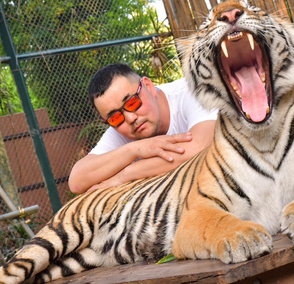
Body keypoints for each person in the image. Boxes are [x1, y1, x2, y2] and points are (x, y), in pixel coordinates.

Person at [68, 63, 218, 194]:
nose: (130, 118)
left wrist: (125, 175)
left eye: (132, 102)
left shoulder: (191, 91)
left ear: (148, 86)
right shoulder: (120, 129)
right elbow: (76, 182)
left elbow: (201, 146)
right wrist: (135, 149)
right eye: (115, 117)